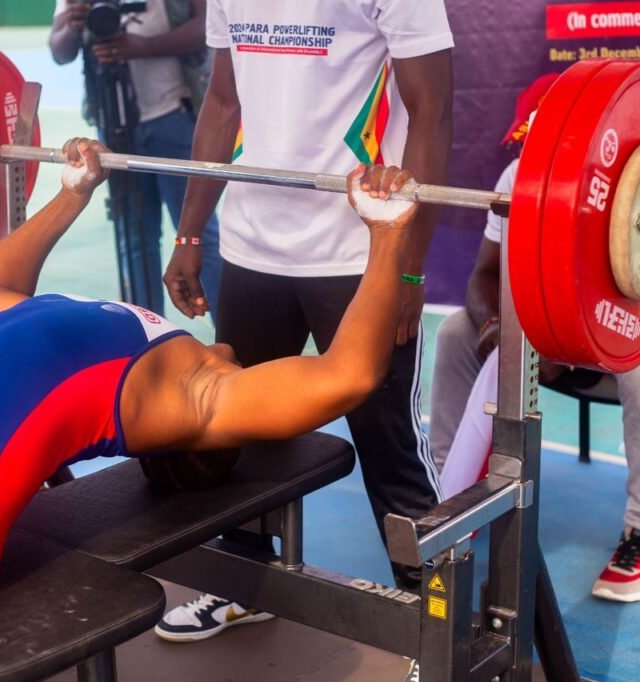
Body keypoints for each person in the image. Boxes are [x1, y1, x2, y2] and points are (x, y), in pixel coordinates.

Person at [0, 139, 421, 653]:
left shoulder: (199, 397)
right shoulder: (134, 335)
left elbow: (348, 376)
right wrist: (71, 193)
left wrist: (388, 236)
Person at [157, 0, 454, 645]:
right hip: (251, 244)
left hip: (358, 253)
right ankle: (245, 582)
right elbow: (223, 102)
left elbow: (433, 114)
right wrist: (188, 234)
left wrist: (406, 267)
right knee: (240, 424)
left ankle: (438, 628)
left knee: (391, 450)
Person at [429, 87, 640, 603]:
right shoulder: (518, 178)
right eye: (529, 144)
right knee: (453, 334)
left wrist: (555, 348)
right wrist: (499, 324)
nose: (533, 155)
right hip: (555, 327)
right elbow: (485, 275)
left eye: (546, 144)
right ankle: (452, 496)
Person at [48, 0, 222, 317]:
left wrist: (143, 47)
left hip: (175, 116)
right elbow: (59, 52)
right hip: (114, 125)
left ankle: (232, 335)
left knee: (197, 235)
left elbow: (206, 27)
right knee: (135, 238)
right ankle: (149, 339)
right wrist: (71, 26)